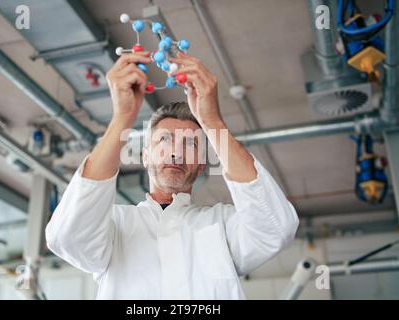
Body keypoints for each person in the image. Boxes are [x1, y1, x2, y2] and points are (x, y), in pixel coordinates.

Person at [45, 50, 299, 299]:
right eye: (164, 139)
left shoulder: (222, 226)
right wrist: (122, 118)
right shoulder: (115, 226)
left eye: (190, 144)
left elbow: (276, 227)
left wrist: (212, 122)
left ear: (201, 165)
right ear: (145, 157)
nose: (176, 153)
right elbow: (67, 236)